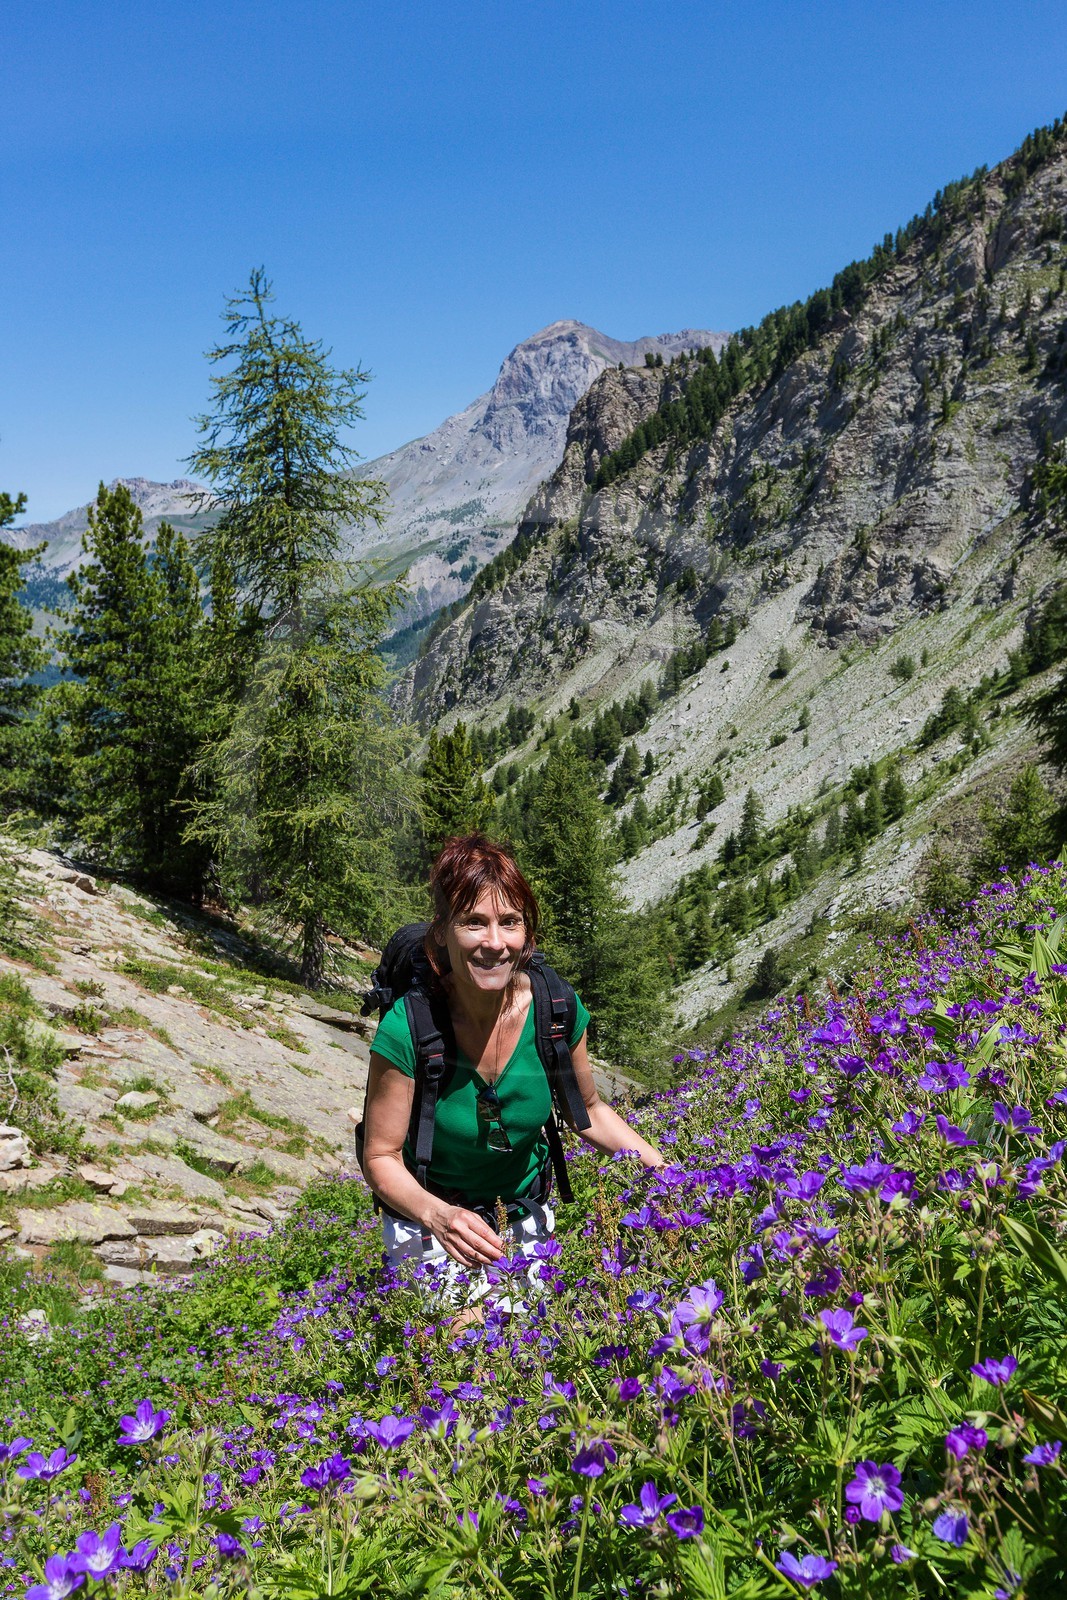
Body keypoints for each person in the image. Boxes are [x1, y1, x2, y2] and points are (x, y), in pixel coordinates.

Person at [361, 833, 662, 1304]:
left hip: (524, 1210)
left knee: (531, 1345)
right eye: (473, 923)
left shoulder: (555, 1011)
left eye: (510, 922)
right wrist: (438, 1215)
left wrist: (668, 1177)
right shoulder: (409, 1029)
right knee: (468, 1353)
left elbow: (590, 1111)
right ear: (441, 934)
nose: (494, 943)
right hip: (431, 1220)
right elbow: (380, 1157)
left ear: (528, 936)